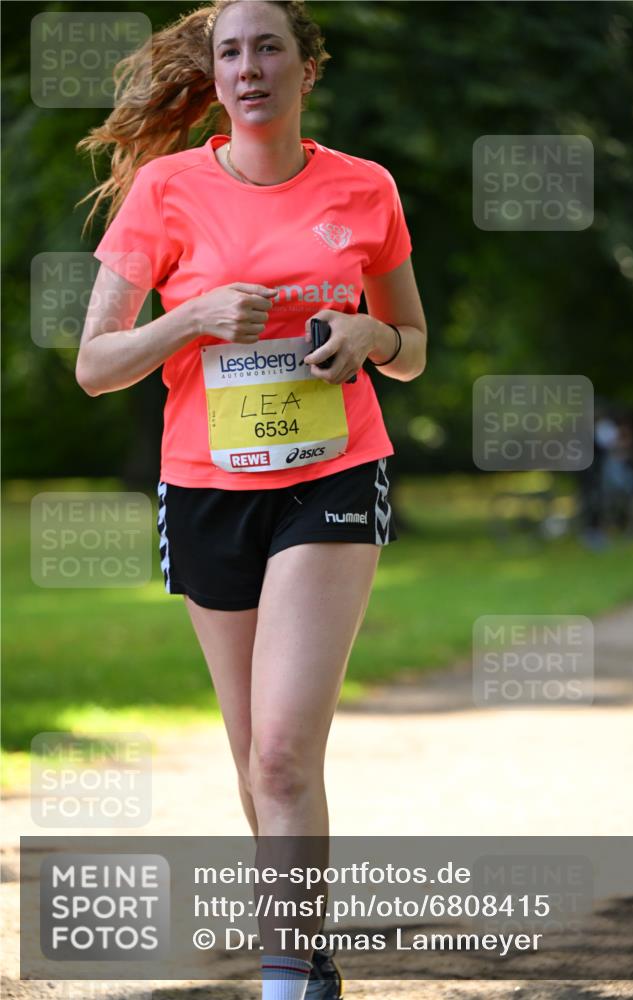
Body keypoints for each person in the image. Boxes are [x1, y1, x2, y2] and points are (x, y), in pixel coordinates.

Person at [75, 2, 427, 998]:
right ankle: (306, 950)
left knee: (281, 751)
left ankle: (287, 978)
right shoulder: (165, 190)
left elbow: (414, 347)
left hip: (332, 475)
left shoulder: (364, 188)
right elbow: (96, 366)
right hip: (205, 489)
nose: (249, 66)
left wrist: (373, 340)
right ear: (214, 74)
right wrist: (186, 317)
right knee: (250, 754)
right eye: (230, 51)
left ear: (305, 67)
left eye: (270, 46)